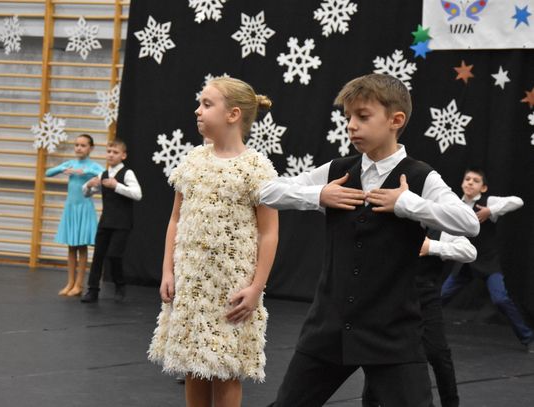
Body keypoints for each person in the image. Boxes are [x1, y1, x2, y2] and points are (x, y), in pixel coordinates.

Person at [259, 73, 480, 407]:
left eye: (362, 116)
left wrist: (408, 204)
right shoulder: (337, 171)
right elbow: (267, 191)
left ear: (396, 120)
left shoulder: (420, 177)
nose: (351, 125)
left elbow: (469, 223)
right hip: (328, 329)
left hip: (392, 334)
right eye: (348, 117)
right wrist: (318, 195)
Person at [147, 77, 279, 407]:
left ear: (233, 114)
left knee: (224, 367)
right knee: (193, 363)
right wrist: (168, 271)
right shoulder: (193, 161)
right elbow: (175, 219)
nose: (198, 110)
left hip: (231, 286)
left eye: (207, 104)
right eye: (200, 103)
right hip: (192, 284)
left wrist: (256, 287)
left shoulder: (256, 168)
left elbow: (269, 232)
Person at [362, 229, 477, 407]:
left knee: (438, 354)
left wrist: (431, 246)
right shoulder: (393, 222)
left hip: (425, 299)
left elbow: (469, 252)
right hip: (391, 298)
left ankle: (451, 403)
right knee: (381, 355)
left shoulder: (438, 226)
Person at [441, 167, 534, 353]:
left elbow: (518, 201)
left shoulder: (487, 203)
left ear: (483, 188)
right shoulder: (456, 206)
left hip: (488, 263)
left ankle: (529, 337)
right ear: (462, 183)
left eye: (475, 181)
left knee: (501, 300)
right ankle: (416, 331)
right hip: (465, 264)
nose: (470, 183)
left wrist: (490, 211)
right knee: (439, 297)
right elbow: (447, 234)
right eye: (467, 179)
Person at [80, 139, 142, 303]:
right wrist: (88, 185)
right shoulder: (103, 174)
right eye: (109, 151)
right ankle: (93, 290)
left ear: (123, 155)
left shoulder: (127, 173)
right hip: (106, 221)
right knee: (98, 256)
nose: (111, 155)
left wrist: (116, 186)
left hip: (122, 222)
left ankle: (120, 285)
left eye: (115, 152)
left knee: (114, 255)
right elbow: (86, 193)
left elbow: (137, 194)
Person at [45, 134, 104, 296]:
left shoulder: (93, 165)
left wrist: (86, 171)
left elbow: (105, 175)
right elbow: (48, 173)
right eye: (77, 145)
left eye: (83, 145)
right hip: (71, 209)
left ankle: (79, 284)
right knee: (71, 246)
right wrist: (62, 169)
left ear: (91, 148)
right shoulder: (70, 163)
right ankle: (70, 282)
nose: (79, 148)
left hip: (84, 209)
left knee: (82, 247)